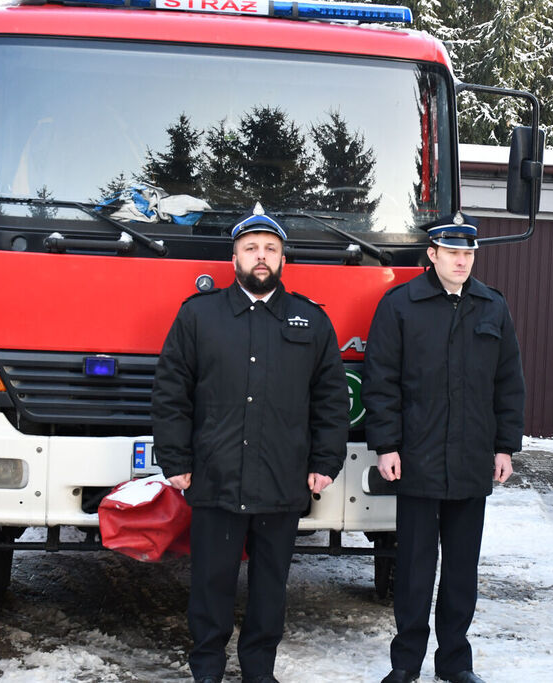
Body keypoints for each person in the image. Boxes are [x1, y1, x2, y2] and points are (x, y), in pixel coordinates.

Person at [152, 203, 349, 683]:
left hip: (282, 480)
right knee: (211, 584)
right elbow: (171, 392)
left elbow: (330, 399)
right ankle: (207, 670)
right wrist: (175, 457)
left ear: (283, 259)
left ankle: (259, 670)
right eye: (251, 248)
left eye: (270, 249)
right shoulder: (199, 317)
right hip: (215, 477)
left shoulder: (311, 322)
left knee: (270, 588)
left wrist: (326, 461)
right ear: (234, 257)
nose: (261, 257)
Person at [363, 212, 525, 683]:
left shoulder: (492, 307)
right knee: (414, 570)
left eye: (468, 253)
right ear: (431, 254)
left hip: (473, 461)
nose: (461, 260)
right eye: (452, 252)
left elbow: (508, 385)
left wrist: (504, 447)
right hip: (416, 461)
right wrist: (386, 445)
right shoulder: (401, 305)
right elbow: (381, 382)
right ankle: (405, 664)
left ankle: (455, 662)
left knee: (460, 573)